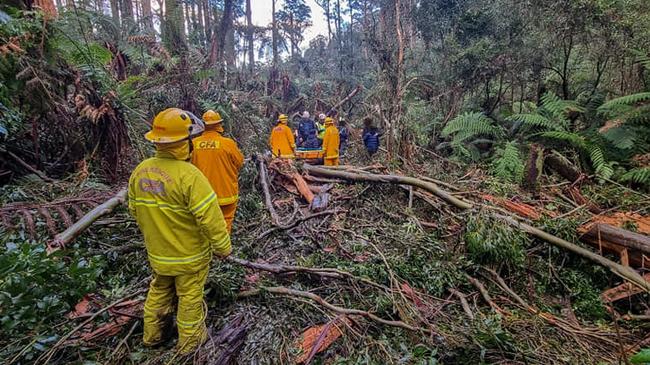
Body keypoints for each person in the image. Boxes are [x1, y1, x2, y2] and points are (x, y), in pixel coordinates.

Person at [128, 108, 231, 354]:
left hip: (158, 255)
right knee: (190, 298)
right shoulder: (190, 176)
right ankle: (190, 344)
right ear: (184, 141)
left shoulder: (140, 171)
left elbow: (135, 211)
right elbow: (211, 218)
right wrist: (223, 247)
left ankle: (152, 336)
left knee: (159, 291)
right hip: (189, 257)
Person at [191, 110, 244, 233]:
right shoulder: (228, 143)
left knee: (203, 224)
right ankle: (222, 249)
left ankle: (206, 248)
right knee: (225, 222)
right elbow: (239, 163)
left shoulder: (193, 144)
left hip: (202, 197)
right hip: (226, 194)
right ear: (219, 124)